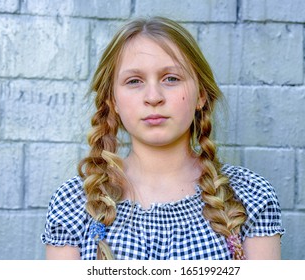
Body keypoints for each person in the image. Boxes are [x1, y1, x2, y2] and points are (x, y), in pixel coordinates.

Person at [41, 16, 284, 260]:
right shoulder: (75, 203)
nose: (154, 97)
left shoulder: (249, 196)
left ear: (200, 95)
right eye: (134, 81)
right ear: (113, 101)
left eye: (171, 78)